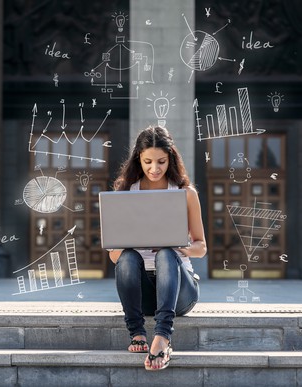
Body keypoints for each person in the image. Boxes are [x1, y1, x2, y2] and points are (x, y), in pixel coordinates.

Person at [108, 126, 207, 371]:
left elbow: (201, 247)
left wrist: (179, 246)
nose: (155, 169)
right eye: (148, 161)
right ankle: (137, 332)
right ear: (138, 159)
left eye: (161, 161)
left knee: (166, 253)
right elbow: (114, 256)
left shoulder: (185, 193)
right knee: (128, 256)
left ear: (170, 158)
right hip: (141, 293)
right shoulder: (125, 192)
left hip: (179, 290)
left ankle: (162, 337)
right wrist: (134, 243)